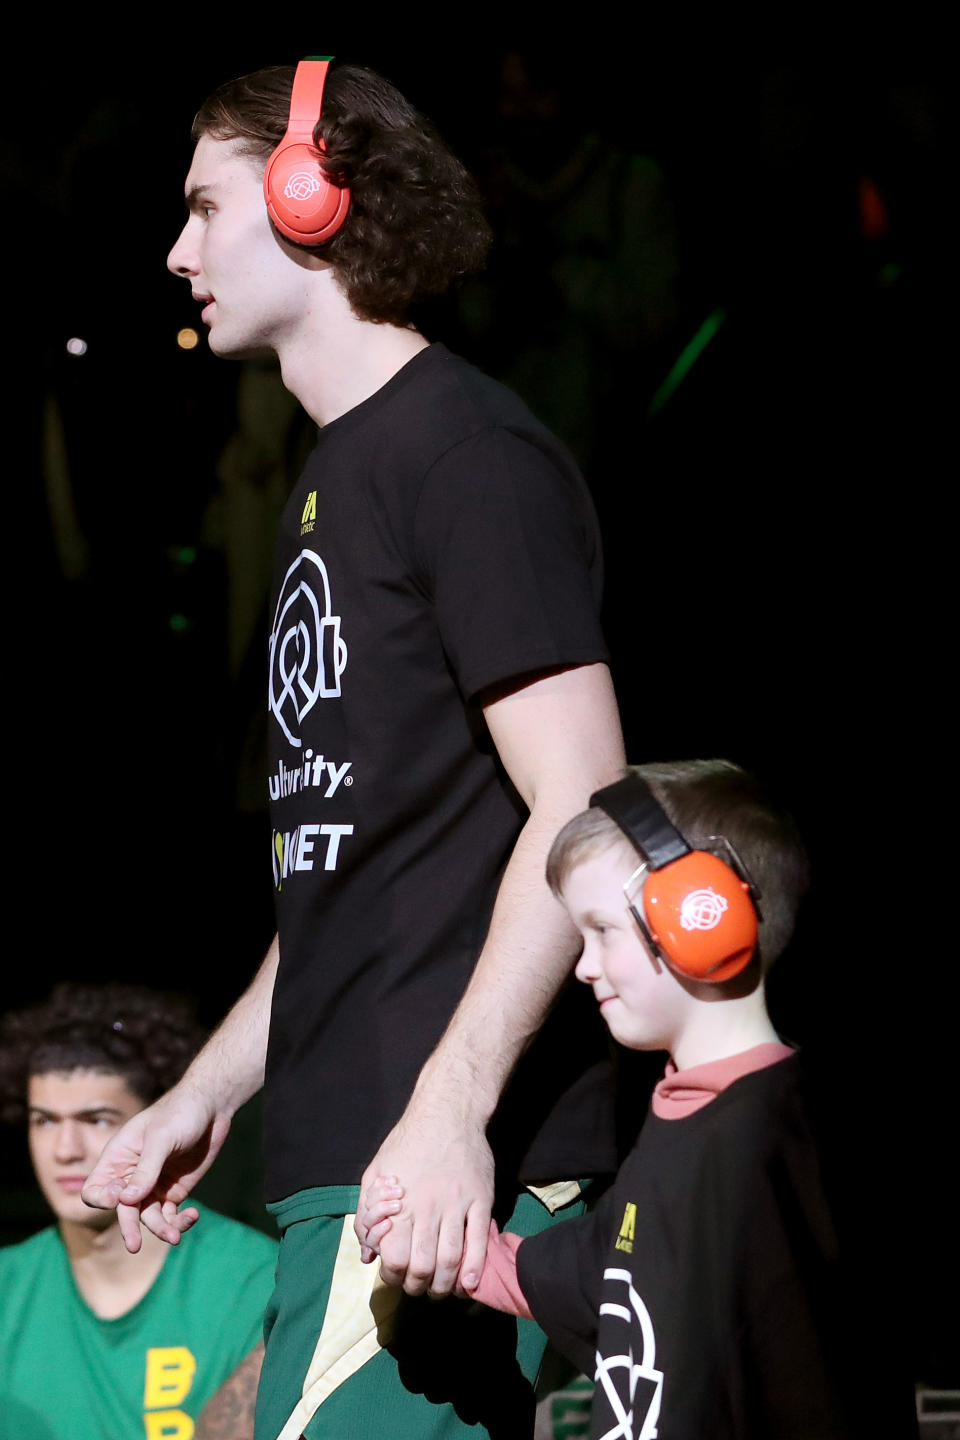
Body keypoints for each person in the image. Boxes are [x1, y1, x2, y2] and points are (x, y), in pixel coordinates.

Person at [81, 57, 626, 1440]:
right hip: (351, 1155)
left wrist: (452, 1111)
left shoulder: (465, 457)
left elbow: (585, 804)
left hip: (444, 1163)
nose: (176, 251)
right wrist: (205, 1091)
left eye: (204, 208)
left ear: (311, 195)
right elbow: (354, 867)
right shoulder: (339, 473)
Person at [363, 758, 912, 1438]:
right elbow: (593, 1273)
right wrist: (430, 1236)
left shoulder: (781, 1136)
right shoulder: (681, 1125)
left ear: (701, 914)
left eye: (602, 931)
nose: (584, 965)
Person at [0, 982, 278, 1440]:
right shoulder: (9, 1289)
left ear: (157, 1123)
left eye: (97, 1120)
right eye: (44, 1120)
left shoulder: (255, 1283)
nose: (64, 1150)